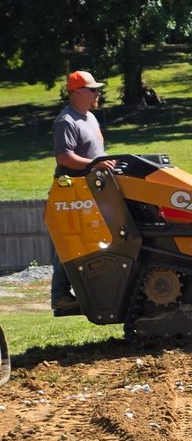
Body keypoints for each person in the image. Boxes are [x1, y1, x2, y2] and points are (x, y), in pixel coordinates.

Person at [51, 70, 116, 311]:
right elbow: (64, 157)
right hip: (70, 191)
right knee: (68, 241)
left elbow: (95, 153)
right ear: (77, 92)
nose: (97, 93)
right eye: (92, 89)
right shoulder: (66, 121)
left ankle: (94, 287)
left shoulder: (89, 117)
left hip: (90, 188)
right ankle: (59, 296)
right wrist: (93, 164)